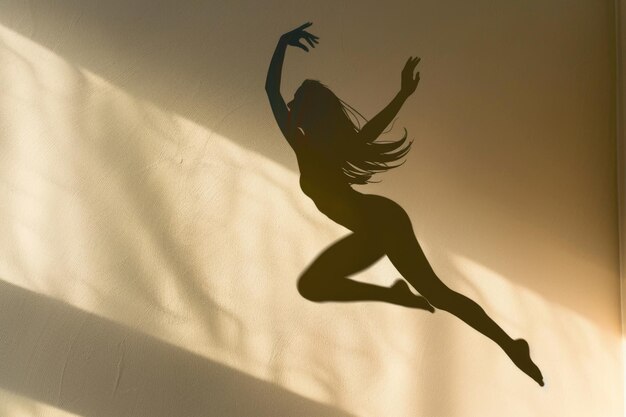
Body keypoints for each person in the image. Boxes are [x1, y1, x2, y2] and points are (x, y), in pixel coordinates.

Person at [265, 22, 544, 387]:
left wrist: (403, 95)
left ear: (309, 110)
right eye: (293, 100)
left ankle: (511, 346)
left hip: (381, 223)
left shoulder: (319, 149)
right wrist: (283, 43)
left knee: (435, 293)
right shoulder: (307, 145)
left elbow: (368, 130)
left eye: (296, 100)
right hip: (378, 224)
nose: (289, 104)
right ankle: (499, 340)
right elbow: (272, 89)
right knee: (323, 286)